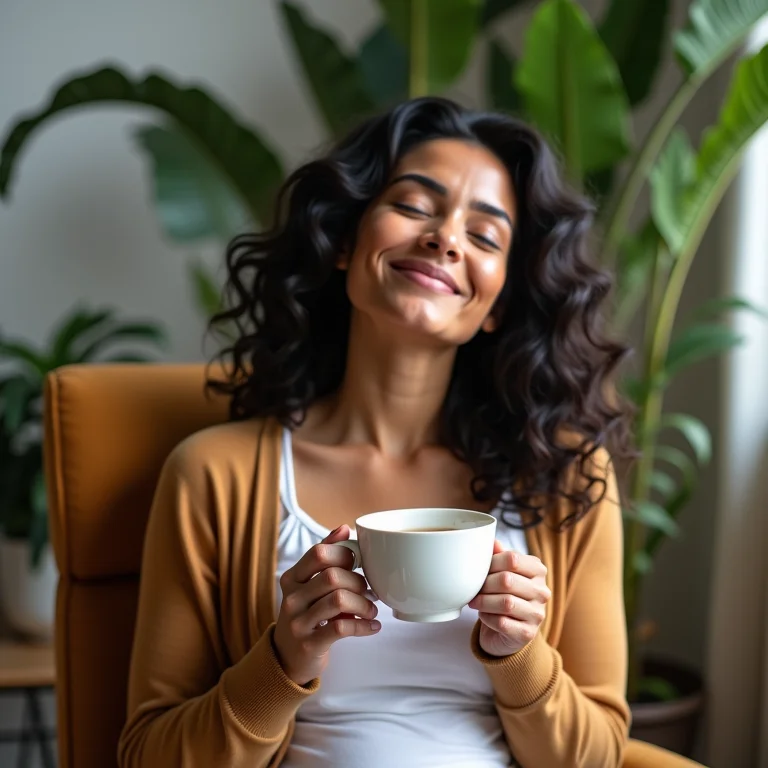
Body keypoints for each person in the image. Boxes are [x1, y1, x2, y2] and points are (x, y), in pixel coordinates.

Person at [117, 96, 634, 768]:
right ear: (344, 242)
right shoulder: (214, 475)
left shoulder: (564, 477)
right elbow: (147, 756)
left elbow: (597, 759)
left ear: (497, 306)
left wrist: (521, 657)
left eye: (483, 236)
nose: (445, 237)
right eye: (416, 205)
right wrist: (283, 657)